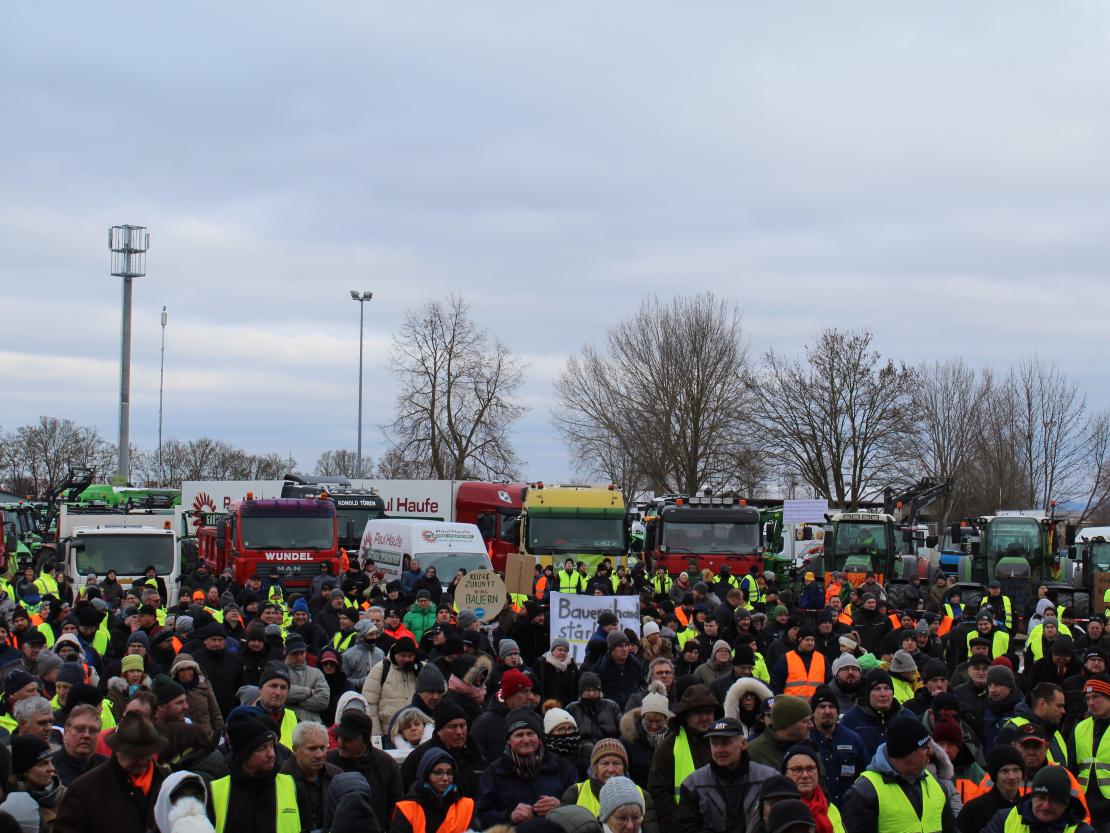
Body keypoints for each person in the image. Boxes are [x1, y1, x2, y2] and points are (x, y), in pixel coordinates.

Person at [53, 715, 168, 833]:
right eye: (135, 755)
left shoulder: (168, 781)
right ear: (117, 750)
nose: (143, 761)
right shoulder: (85, 790)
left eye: (147, 754)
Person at [841, 715, 956, 833]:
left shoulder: (936, 785)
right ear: (906, 752)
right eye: (925, 747)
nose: (931, 752)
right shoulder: (865, 792)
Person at [475, 708, 578, 829]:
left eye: (530, 734)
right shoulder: (494, 772)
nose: (526, 740)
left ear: (539, 738)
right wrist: (509, 816)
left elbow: (581, 804)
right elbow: (480, 815)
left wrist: (561, 806)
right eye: (519, 735)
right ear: (509, 741)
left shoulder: (562, 766)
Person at [673, 717, 777, 833]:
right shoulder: (692, 784)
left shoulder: (769, 779)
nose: (719, 749)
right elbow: (687, 827)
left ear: (743, 744)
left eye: (725, 743)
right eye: (714, 743)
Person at [208, 715, 300, 833]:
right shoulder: (216, 791)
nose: (271, 754)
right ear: (244, 754)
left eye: (272, 746)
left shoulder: (292, 786)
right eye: (262, 748)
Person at [646, 684, 721, 827]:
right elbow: (659, 793)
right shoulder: (668, 747)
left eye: (709, 712)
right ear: (686, 716)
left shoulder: (726, 742)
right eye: (698, 713)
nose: (705, 717)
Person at [325, 710, 404, 830]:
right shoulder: (327, 761)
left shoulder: (386, 765)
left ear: (366, 739)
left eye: (349, 739)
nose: (342, 744)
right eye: (340, 737)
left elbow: (397, 807)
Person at [560, 739, 659, 833]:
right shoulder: (576, 792)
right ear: (595, 768)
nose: (611, 769)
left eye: (617, 763)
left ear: (624, 768)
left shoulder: (642, 794)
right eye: (605, 763)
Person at [400, 701, 487, 799]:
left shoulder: (478, 754)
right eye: (452, 726)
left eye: (462, 726)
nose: (459, 732)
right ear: (439, 730)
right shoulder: (420, 757)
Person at [981, 765, 1093, 833]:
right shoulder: (1004, 820)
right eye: (1041, 798)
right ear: (1032, 797)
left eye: (1054, 800)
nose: (1045, 806)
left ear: (1066, 803)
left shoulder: (1081, 831)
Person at [807, 687, 868, 806]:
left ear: (837, 712)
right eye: (822, 707)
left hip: (848, 809)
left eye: (831, 707)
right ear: (813, 712)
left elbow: (864, 774)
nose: (827, 711)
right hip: (816, 809)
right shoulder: (805, 739)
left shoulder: (853, 739)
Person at [389, 748, 475, 833]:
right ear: (426, 775)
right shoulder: (407, 809)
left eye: (449, 773)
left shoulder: (466, 806)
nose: (445, 778)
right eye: (438, 773)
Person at [281, 722, 341, 833]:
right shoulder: (280, 780)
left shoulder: (337, 776)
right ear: (295, 750)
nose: (319, 755)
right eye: (312, 749)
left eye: (323, 748)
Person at [957, 745, 1025, 833]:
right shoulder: (973, 810)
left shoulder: (1028, 807)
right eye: (1005, 771)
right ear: (994, 775)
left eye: (1016, 770)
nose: (1012, 776)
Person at [362, 637, 422, 736]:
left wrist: (421, 673)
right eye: (402, 655)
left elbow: (442, 689)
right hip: (389, 733)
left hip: (417, 733)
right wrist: (376, 735)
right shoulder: (380, 669)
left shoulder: (421, 668)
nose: (406, 659)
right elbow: (369, 703)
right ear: (395, 654)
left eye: (410, 656)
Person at [841, 668, 904, 760]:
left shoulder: (906, 717)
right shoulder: (851, 719)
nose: (883, 694)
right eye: (877, 689)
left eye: (887, 688)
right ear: (868, 694)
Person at [780, 743, 843, 833]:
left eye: (810, 769)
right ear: (785, 773)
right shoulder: (775, 809)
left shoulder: (831, 808)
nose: (805, 775)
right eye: (797, 769)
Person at [620, 684, 672, 785]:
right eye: (649, 721)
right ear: (642, 718)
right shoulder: (628, 741)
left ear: (666, 719)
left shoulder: (675, 739)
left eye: (658, 721)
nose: (653, 726)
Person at [747, 696, 813, 769]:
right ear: (787, 723)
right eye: (805, 721)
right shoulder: (752, 753)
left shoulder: (809, 747)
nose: (811, 725)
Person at [51, 704, 106, 787]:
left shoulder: (108, 768)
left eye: (93, 730)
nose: (86, 735)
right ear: (66, 732)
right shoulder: (50, 768)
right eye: (79, 729)